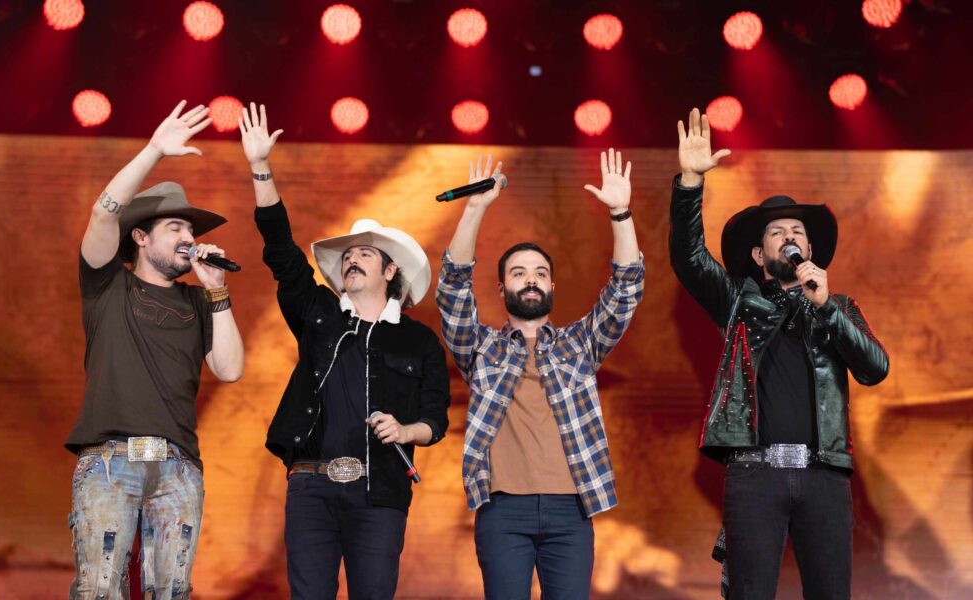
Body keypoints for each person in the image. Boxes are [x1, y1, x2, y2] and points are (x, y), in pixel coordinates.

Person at [669, 108, 889, 599]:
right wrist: (690, 184)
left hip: (824, 475)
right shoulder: (738, 302)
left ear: (810, 249)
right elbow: (689, 259)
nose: (789, 237)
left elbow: (876, 368)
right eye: (777, 232)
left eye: (797, 232)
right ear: (757, 255)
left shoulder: (838, 308)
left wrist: (826, 309)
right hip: (755, 474)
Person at [238, 102, 450, 600]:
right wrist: (260, 168)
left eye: (365, 254)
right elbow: (282, 254)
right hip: (311, 486)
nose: (352, 260)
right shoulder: (319, 314)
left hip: (380, 491)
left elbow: (435, 418)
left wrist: (406, 431)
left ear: (390, 271)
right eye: (347, 255)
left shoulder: (419, 340)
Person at [436, 150, 644, 599]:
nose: (530, 280)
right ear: (502, 288)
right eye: (518, 273)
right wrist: (475, 208)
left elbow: (626, 287)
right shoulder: (482, 348)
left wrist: (620, 214)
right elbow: (452, 288)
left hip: (572, 509)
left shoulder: (579, 344)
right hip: (502, 511)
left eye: (540, 273)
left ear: (551, 285)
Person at [66, 100, 245, 599]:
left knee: (172, 590)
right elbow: (104, 212)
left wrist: (216, 289)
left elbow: (230, 369)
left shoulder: (199, 300)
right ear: (141, 237)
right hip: (110, 461)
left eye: (191, 230)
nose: (189, 238)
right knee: (99, 589)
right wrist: (154, 151)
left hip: (177, 463)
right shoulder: (108, 284)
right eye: (176, 228)